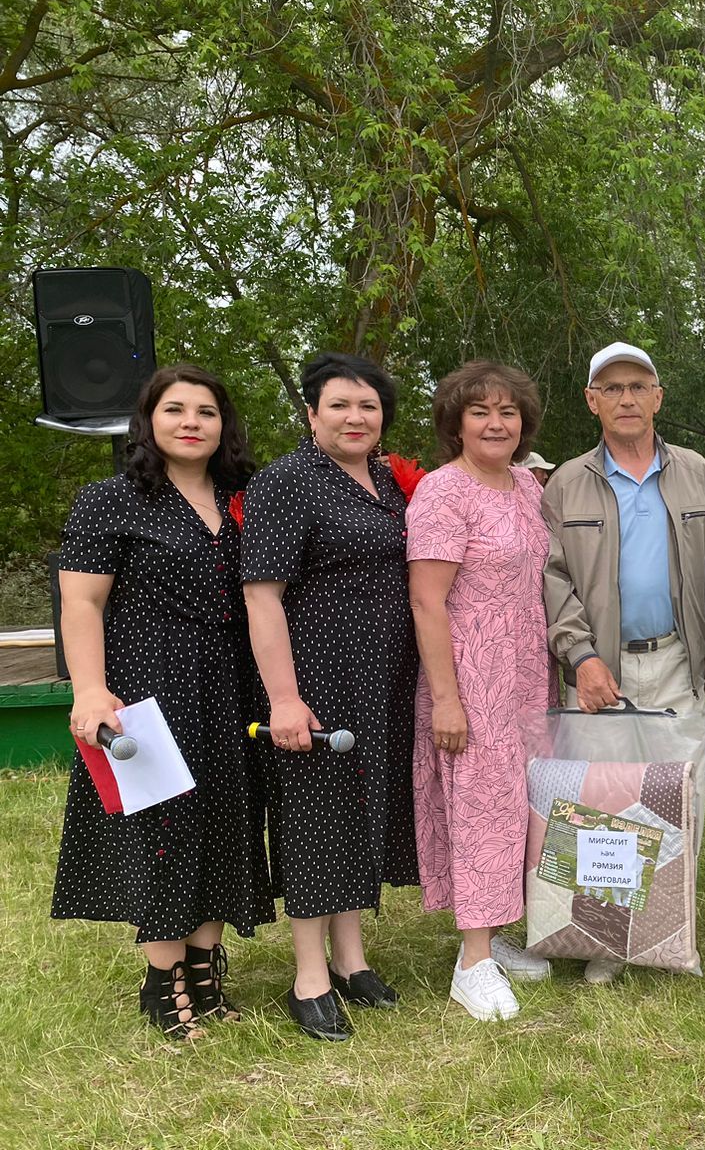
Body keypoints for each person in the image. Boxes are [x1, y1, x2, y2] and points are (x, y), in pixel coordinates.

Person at [52, 365, 273, 1040]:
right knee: (165, 829)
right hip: (148, 686)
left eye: (206, 411)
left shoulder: (247, 496)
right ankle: (163, 979)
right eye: (175, 409)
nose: (191, 422)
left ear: (222, 425)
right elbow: (81, 603)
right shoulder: (111, 500)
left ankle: (205, 967)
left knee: (225, 818)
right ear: (148, 420)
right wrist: (90, 689)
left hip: (231, 683)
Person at [242, 352, 420, 1041]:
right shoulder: (287, 482)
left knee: (356, 810)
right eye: (340, 405)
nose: (356, 416)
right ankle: (309, 976)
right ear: (311, 414)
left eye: (369, 406)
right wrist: (284, 698)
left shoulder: (385, 479)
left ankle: (351, 960)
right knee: (316, 816)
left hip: (381, 677)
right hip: (316, 674)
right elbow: (262, 596)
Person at [541, 341, 705, 983]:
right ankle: (604, 938)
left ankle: (669, 927)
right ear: (592, 400)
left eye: (637, 386)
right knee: (602, 799)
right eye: (611, 388)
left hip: (675, 660)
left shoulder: (699, 474)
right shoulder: (567, 481)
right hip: (601, 668)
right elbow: (553, 579)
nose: (626, 398)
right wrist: (581, 656)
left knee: (682, 793)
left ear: (658, 398)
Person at [409, 361, 557, 1021]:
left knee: (518, 807)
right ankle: (472, 963)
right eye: (480, 412)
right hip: (469, 677)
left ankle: (494, 936)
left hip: (525, 677)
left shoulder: (526, 485)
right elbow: (426, 601)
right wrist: (446, 698)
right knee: (478, 811)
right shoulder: (444, 492)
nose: (496, 423)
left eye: (507, 412)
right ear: (455, 423)